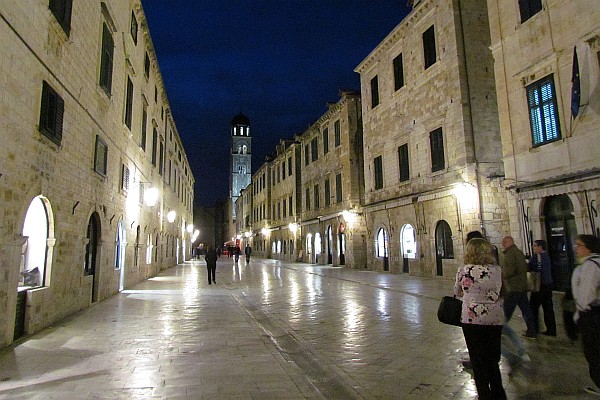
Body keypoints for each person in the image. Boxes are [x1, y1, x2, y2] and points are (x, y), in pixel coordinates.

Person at [454, 238, 506, 399]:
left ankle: (484, 394)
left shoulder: (464, 270)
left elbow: (457, 292)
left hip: (472, 319)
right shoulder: (496, 270)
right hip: (494, 318)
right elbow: (501, 291)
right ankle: (499, 394)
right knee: (492, 360)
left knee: (477, 360)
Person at [572, 234, 600, 396]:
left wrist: (580, 312)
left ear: (588, 247)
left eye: (579, 245)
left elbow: (586, 294)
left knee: (593, 352)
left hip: (592, 314)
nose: (576, 248)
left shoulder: (590, 266)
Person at [501, 236, 537, 339]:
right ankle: (532, 331)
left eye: (504, 243)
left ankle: (502, 329)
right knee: (526, 309)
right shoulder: (518, 252)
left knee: (507, 309)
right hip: (522, 285)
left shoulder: (510, 253)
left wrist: (502, 274)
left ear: (508, 242)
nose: (502, 245)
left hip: (514, 286)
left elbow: (510, 270)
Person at [528, 239, 556, 336]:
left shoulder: (537, 257)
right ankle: (551, 330)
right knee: (548, 308)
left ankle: (534, 329)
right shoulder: (547, 256)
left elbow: (530, 267)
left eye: (535, 245)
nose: (533, 247)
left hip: (540, 285)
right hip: (549, 284)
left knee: (533, 307)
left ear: (540, 247)